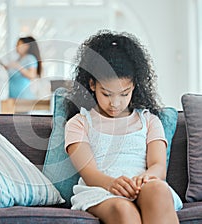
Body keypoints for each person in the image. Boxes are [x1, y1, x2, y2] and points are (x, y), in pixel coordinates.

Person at [64, 30, 183, 223]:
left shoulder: (149, 121)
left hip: (142, 186)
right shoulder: (79, 123)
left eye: (123, 94)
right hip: (101, 191)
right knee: (124, 210)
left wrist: (143, 179)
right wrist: (113, 184)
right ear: (92, 84)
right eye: (107, 94)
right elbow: (90, 174)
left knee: (158, 189)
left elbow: (158, 167)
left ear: (134, 86)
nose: (115, 103)